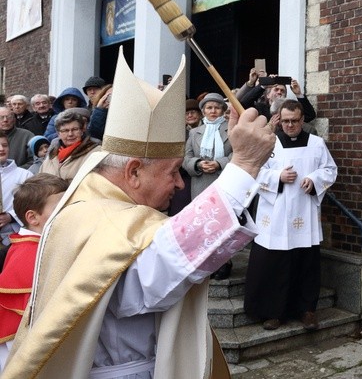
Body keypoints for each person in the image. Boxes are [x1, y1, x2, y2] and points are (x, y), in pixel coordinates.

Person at [2, 51, 275, 378]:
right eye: (173, 171)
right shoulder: (106, 219)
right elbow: (164, 267)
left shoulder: (85, 203)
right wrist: (244, 167)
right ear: (133, 172)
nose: (178, 183)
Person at [244, 99, 337, 331]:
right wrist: (278, 178)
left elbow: (329, 170)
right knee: (276, 266)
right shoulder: (269, 143)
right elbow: (254, 172)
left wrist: (314, 179)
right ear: (279, 120)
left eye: (294, 121)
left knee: (305, 264)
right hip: (275, 215)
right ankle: (274, 312)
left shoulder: (316, 144)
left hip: (304, 214)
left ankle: (307, 311)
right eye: (285, 121)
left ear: (302, 119)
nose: (290, 125)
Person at [0, 174, 68, 370]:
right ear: (32, 217)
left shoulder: (32, 245)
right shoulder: (31, 254)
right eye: (59, 208)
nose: (66, 213)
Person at [182, 93, 234, 280]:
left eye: (217, 108)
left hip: (223, 182)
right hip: (201, 183)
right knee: (203, 224)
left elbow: (238, 154)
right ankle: (205, 262)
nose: (213, 111)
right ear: (203, 110)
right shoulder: (194, 132)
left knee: (223, 224)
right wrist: (197, 164)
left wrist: (219, 163)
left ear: (222, 110)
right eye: (209, 108)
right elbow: (185, 158)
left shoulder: (231, 129)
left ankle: (224, 262)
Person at [236, 68, 317, 125]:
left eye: (282, 90)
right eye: (276, 89)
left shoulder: (291, 108)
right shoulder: (260, 108)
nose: (279, 92)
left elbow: (310, 116)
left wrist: (298, 94)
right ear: (267, 95)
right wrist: (262, 86)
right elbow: (243, 104)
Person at [39, 110, 101, 182]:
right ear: (58, 133)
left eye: (75, 129)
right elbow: (40, 182)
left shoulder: (95, 152)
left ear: (82, 130)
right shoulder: (51, 155)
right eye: (65, 130)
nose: (70, 134)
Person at [0, 132, 34, 247]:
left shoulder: (25, 175)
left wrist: (11, 216)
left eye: (4, 145)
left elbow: (32, 204)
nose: (1, 149)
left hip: (13, 236)